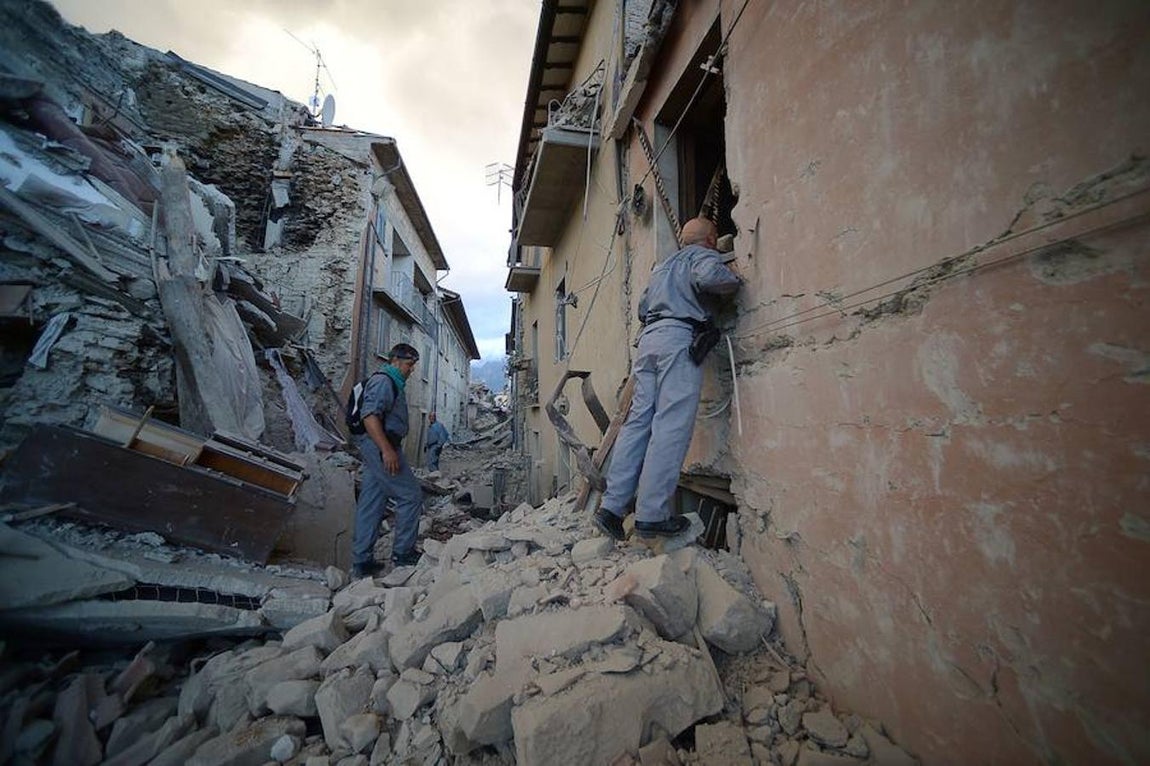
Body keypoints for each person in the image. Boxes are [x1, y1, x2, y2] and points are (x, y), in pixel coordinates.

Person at [593, 217, 742, 542]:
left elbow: (644, 309)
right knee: (671, 425)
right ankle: (651, 515)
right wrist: (732, 277)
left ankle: (611, 508)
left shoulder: (662, 266)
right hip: (678, 339)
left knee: (637, 425)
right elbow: (712, 278)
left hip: (649, 343)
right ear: (711, 238)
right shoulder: (701, 256)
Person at [351, 342, 424, 577]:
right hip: (380, 446)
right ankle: (403, 554)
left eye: (413, 366)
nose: (411, 370)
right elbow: (370, 416)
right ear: (394, 361)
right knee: (411, 495)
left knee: (372, 501)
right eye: (408, 365)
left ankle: (362, 562)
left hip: (379, 446)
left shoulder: (392, 381)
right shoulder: (384, 381)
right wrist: (386, 450)